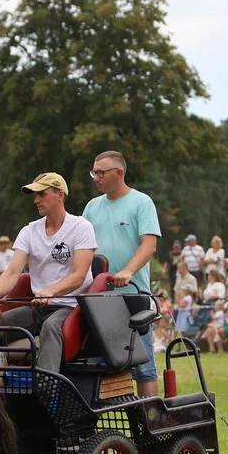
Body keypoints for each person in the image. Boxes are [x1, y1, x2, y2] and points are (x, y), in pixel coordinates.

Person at [0, 172, 96, 373]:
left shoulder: (81, 227)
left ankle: (46, 387)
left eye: (42, 194)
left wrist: (51, 291)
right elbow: (13, 272)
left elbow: (79, 275)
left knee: (51, 327)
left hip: (71, 307)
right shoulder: (29, 231)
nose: (36, 200)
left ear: (60, 194)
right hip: (38, 307)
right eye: (35, 195)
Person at [83, 150, 163, 397]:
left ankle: (149, 421)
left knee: (143, 366)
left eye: (100, 172)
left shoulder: (141, 202)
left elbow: (149, 245)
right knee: (97, 364)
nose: (96, 177)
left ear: (119, 173)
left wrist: (127, 271)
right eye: (94, 172)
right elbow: (82, 247)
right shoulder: (92, 207)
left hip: (133, 296)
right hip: (98, 299)